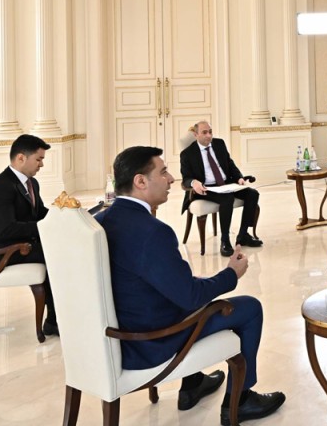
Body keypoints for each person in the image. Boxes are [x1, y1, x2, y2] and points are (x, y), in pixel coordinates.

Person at [95, 146, 284, 424]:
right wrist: (231, 274)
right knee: (250, 308)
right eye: (163, 172)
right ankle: (241, 400)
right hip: (153, 342)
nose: (171, 179)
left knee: (192, 291)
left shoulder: (101, 220)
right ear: (140, 181)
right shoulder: (153, 232)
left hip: (121, 334)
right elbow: (191, 297)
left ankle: (193, 384)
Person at [0, 134, 59, 336]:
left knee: (59, 246)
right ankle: (54, 320)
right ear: (21, 158)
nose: (42, 164)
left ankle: (57, 316)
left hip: (15, 244)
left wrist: (63, 217)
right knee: (56, 252)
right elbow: (7, 230)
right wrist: (47, 227)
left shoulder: (32, 183)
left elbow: (39, 213)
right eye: (39, 159)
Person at [180, 121, 262, 257]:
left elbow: (230, 163)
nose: (209, 135)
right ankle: (225, 240)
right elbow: (186, 178)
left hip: (225, 184)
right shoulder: (187, 154)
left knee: (252, 194)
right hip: (206, 189)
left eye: (210, 132)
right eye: (204, 133)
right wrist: (194, 183)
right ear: (195, 135)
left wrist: (239, 178)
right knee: (227, 198)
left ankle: (243, 235)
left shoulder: (219, 144)